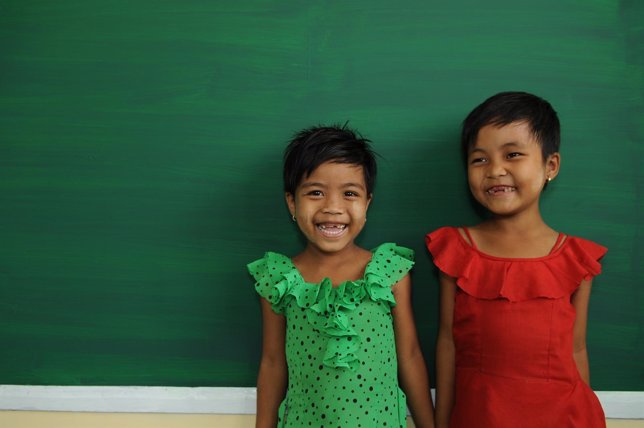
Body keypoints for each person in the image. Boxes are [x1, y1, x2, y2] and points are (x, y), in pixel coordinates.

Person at [426, 92, 607, 428]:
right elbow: (448, 345)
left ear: (550, 165)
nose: (495, 170)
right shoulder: (457, 250)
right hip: (480, 416)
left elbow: (577, 350)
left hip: (563, 417)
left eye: (512, 155)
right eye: (479, 159)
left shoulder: (575, 258)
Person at [249, 124, 434, 428]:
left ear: (367, 204)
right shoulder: (280, 280)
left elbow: (410, 355)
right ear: (292, 203)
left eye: (349, 193)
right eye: (316, 192)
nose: (333, 208)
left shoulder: (388, 272)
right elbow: (272, 363)